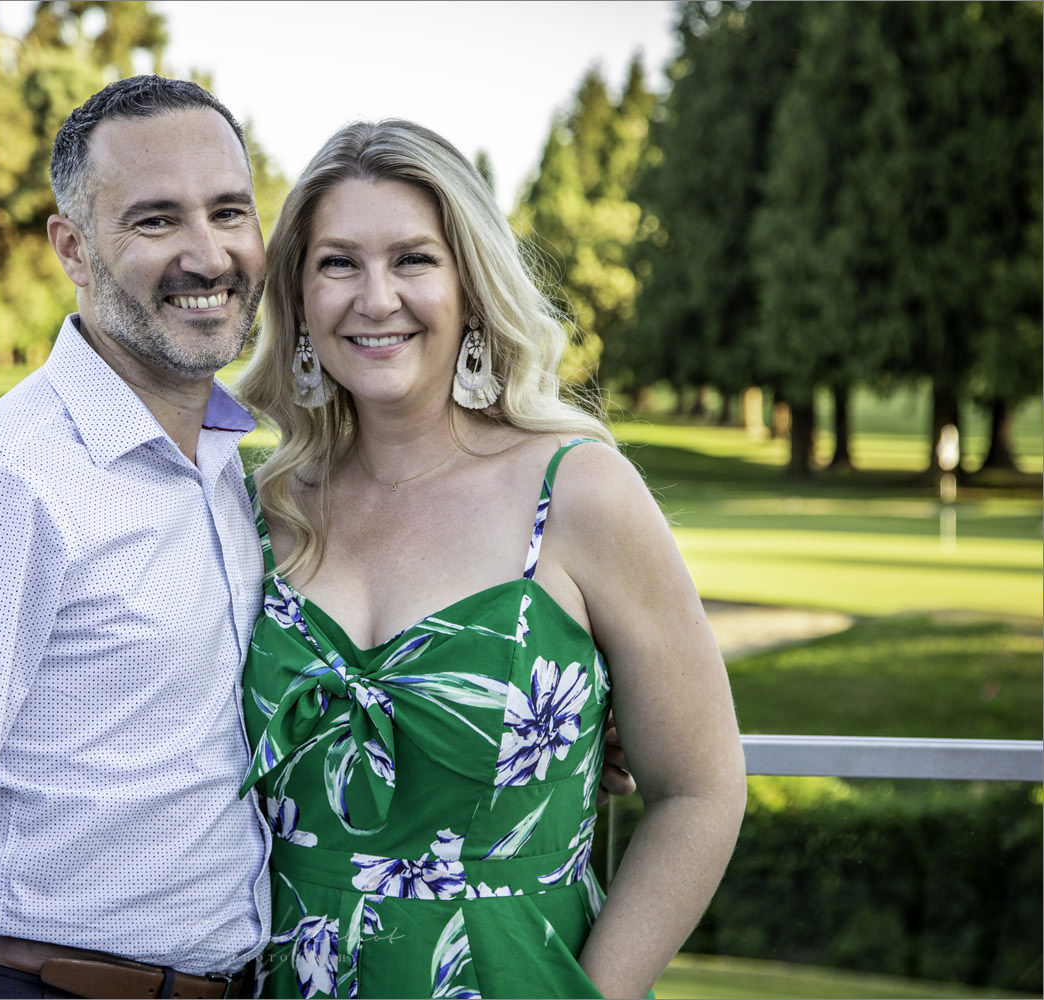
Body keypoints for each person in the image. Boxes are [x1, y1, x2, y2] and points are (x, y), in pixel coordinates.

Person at [234, 119, 746, 999]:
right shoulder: (257, 510)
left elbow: (700, 793)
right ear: (300, 298)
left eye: (414, 260)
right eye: (338, 263)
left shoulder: (579, 492)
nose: (376, 298)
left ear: (470, 286)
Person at [0, 76, 271, 999]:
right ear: (72, 247)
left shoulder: (226, 466)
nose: (208, 255)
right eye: (156, 220)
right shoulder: (0, 487)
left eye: (229, 211)